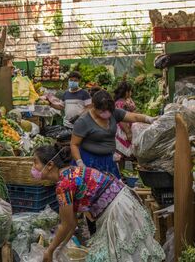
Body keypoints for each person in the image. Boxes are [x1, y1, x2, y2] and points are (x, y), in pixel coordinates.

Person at [31, 145, 164, 262]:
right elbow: (72, 224)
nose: (33, 168)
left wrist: (49, 251)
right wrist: (58, 248)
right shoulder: (70, 172)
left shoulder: (63, 185)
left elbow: (66, 225)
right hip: (122, 202)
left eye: (35, 162)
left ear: (49, 165)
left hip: (118, 211)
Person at [71, 90, 155, 178]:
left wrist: (150, 119)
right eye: (102, 111)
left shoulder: (114, 113)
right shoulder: (83, 122)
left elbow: (134, 116)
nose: (106, 113)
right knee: (92, 188)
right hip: (89, 161)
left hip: (108, 161)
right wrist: (80, 162)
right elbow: (74, 144)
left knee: (111, 188)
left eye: (109, 110)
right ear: (94, 106)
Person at [114, 81, 137, 160]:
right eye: (130, 91)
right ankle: (121, 172)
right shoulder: (119, 103)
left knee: (132, 153)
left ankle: (133, 171)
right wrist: (128, 132)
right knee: (121, 154)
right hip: (122, 130)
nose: (131, 93)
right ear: (126, 92)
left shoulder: (127, 100)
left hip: (129, 128)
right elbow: (121, 119)